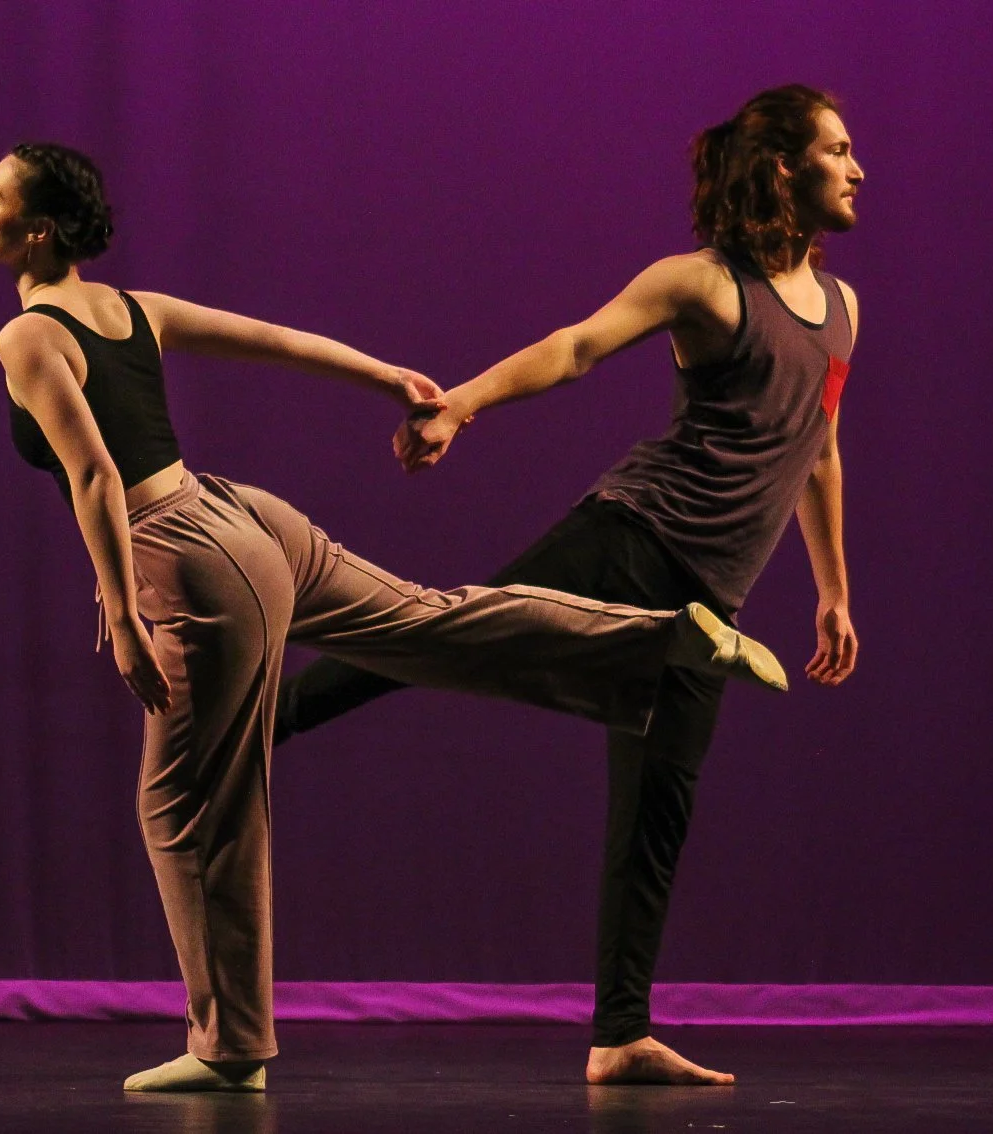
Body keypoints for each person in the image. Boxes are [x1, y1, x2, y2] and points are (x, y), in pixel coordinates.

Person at [0, 142, 787, 1092]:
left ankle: (230, 1048)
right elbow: (274, 339)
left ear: (38, 229)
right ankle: (661, 636)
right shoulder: (126, 307)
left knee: (189, 805)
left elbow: (96, 477)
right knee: (430, 623)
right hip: (249, 518)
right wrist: (387, 377)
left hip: (188, 555)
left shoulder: (28, 337)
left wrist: (120, 609)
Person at [276, 84, 864, 1085]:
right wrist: (460, 405)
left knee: (657, 811)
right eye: (838, 150)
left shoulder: (843, 309)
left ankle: (618, 1036)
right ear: (783, 165)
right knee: (444, 636)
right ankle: (258, 721)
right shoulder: (703, 283)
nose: (856, 169)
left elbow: (820, 450)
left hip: (707, 608)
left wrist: (832, 591)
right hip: (632, 540)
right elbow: (577, 346)